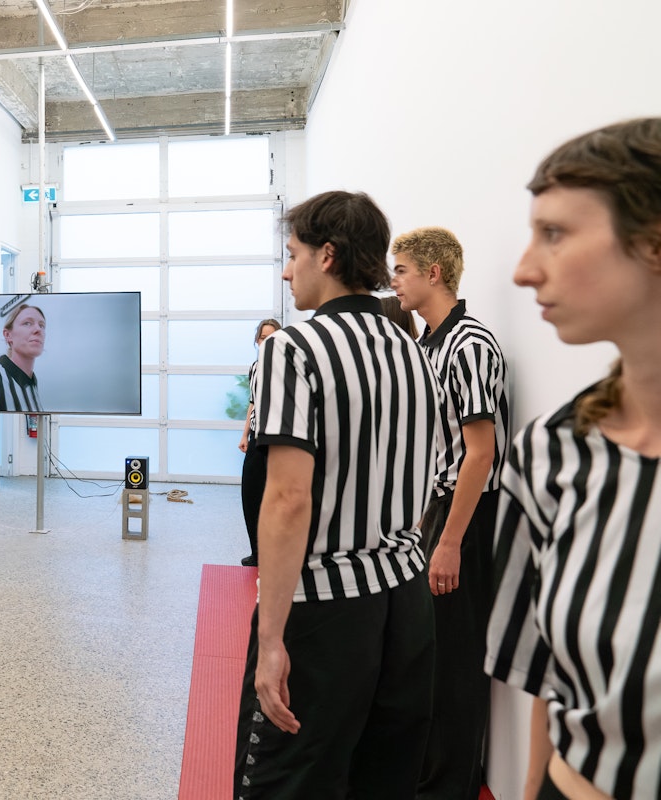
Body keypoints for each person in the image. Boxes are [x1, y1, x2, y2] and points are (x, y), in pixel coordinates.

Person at [235, 191, 441, 799]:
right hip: (406, 601)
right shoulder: (413, 351)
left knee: (288, 780)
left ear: (326, 256)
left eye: (292, 254)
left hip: (324, 607)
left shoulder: (292, 348)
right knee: (380, 781)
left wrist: (271, 638)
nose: (286, 271)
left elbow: (287, 499)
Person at [486, 118, 661, 800]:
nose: (524, 270)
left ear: (653, 241)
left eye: (555, 233)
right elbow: (550, 682)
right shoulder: (551, 453)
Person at [391, 227, 510, 800]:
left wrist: (449, 540)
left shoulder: (469, 345)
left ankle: (450, 786)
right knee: (430, 653)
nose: (394, 281)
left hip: (467, 515)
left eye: (402, 270)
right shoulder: (430, 345)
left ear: (433, 273)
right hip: (438, 510)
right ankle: (428, 773)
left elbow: (479, 452)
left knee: (457, 657)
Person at [237, 318, 281, 567]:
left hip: (275, 440)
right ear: (257, 341)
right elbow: (252, 402)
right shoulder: (255, 367)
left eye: (272, 337)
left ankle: (274, 553)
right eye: (264, 338)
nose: (267, 342)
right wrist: (244, 434)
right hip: (256, 437)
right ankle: (257, 551)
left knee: (273, 499)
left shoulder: (284, 367)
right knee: (250, 495)